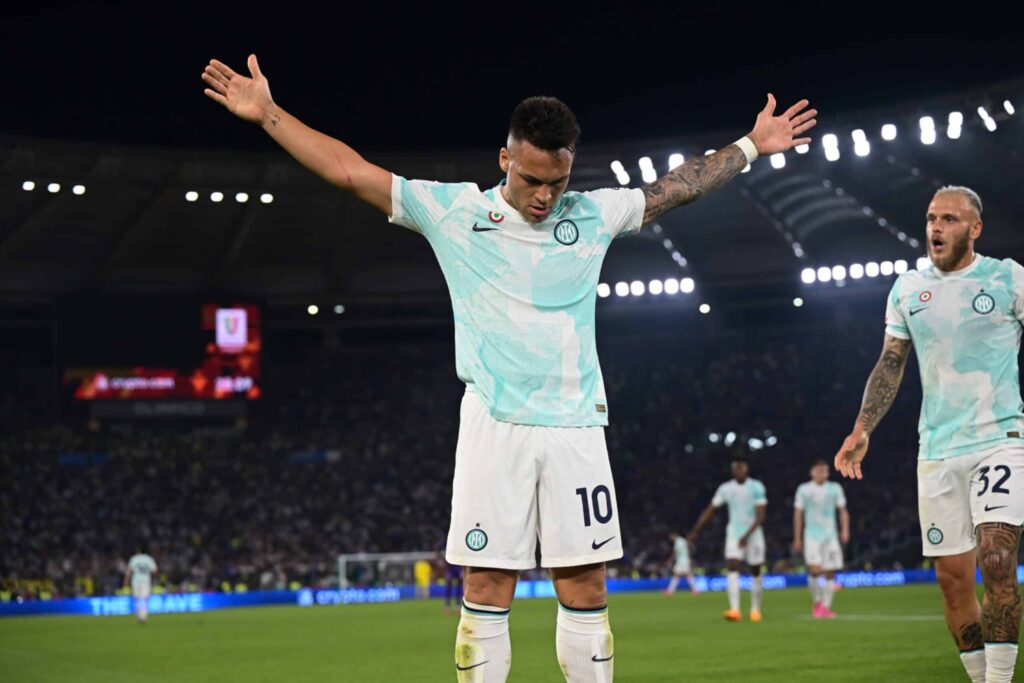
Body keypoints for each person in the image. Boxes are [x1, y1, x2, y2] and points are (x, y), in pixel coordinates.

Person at [202, 54, 814, 682]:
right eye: (532, 180)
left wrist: (750, 146)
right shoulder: (455, 214)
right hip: (494, 423)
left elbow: (676, 186)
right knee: (489, 579)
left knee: (585, 582)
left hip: (576, 427)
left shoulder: (592, 214)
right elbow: (349, 171)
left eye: (557, 181)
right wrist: (268, 113)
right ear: (505, 160)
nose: (546, 195)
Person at [835, 186, 1023, 683]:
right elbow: (890, 363)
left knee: (998, 558)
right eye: (931, 218)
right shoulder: (906, 288)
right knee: (951, 581)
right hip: (938, 450)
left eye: (950, 219)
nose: (936, 228)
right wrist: (862, 427)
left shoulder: (1007, 278)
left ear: (975, 228)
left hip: (1001, 439)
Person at [688, 458, 768, 622]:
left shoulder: (756, 487)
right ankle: (735, 610)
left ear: (746, 469)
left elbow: (760, 515)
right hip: (734, 533)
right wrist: (695, 531)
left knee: (755, 570)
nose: (739, 470)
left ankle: (755, 609)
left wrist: (746, 536)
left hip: (753, 534)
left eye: (741, 467)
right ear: (733, 471)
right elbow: (711, 509)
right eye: (736, 468)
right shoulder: (726, 488)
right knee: (732, 565)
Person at [793, 459, 849, 618]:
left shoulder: (835, 488)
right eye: (819, 470)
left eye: (825, 470)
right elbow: (798, 514)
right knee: (815, 570)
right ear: (812, 472)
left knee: (830, 572)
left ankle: (825, 607)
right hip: (811, 535)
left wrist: (844, 530)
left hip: (830, 535)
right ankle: (817, 601)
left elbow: (843, 510)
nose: (822, 473)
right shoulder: (803, 489)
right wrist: (797, 538)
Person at [124, 548, 158, 624]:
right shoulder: (149, 559)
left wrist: (126, 580)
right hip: (145, 581)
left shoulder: (134, 558)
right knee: (144, 600)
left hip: (136, 582)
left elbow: (129, 571)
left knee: (137, 599)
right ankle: (143, 617)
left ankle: (139, 616)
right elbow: (155, 571)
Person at [663, 532, 699, 596]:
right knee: (684, 575)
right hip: (684, 560)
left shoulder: (678, 542)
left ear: (674, 535)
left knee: (683, 575)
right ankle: (695, 590)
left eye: (671, 537)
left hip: (682, 561)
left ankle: (670, 591)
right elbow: (689, 545)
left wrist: (670, 560)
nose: (670, 539)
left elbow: (675, 552)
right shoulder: (682, 540)